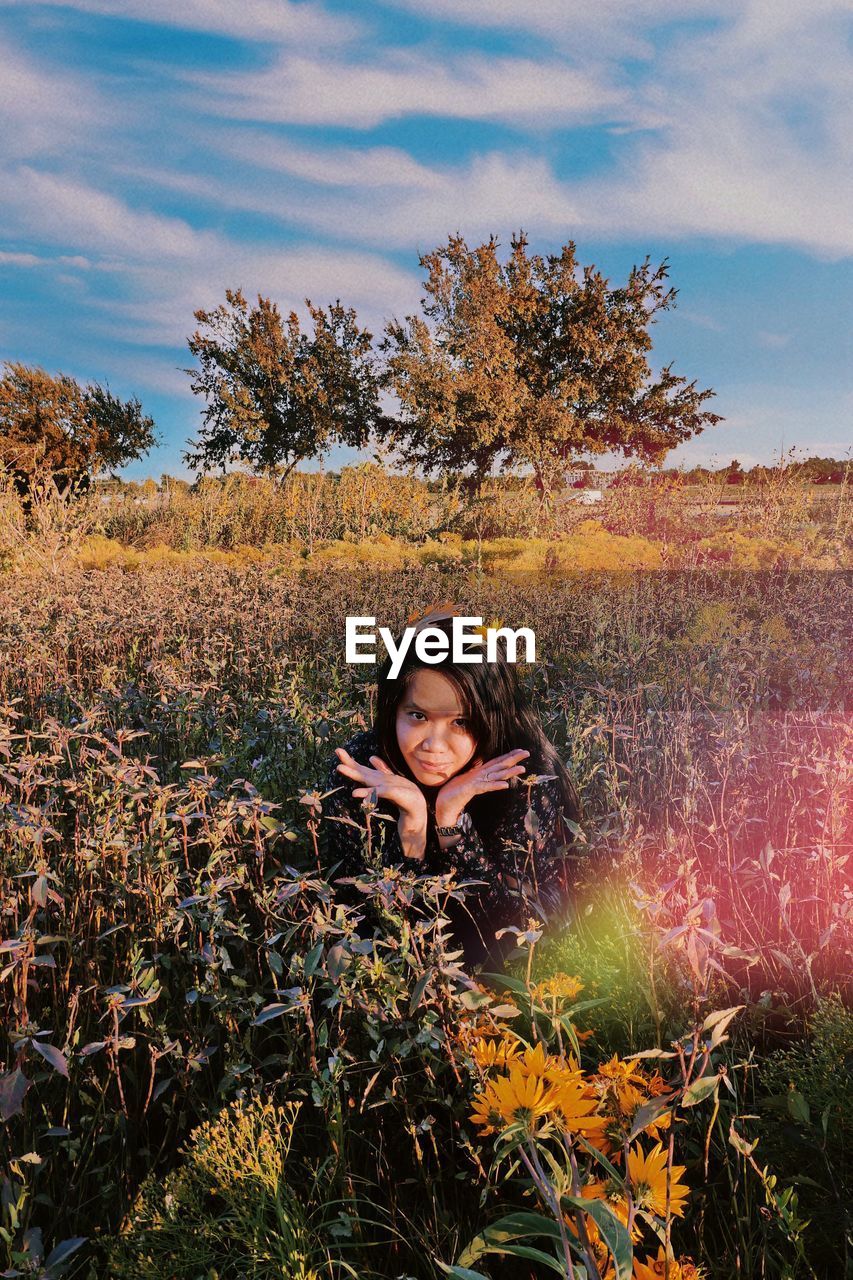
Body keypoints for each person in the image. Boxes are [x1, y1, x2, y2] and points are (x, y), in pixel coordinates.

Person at [322, 610, 582, 966]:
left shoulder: (526, 775)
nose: (434, 745)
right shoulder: (359, 771)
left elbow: (521, 931)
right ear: (392, 709)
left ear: (493, 718)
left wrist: (451, 824)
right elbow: (368, 929)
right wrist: (412, 829)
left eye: (461, 721)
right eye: (418, 716)